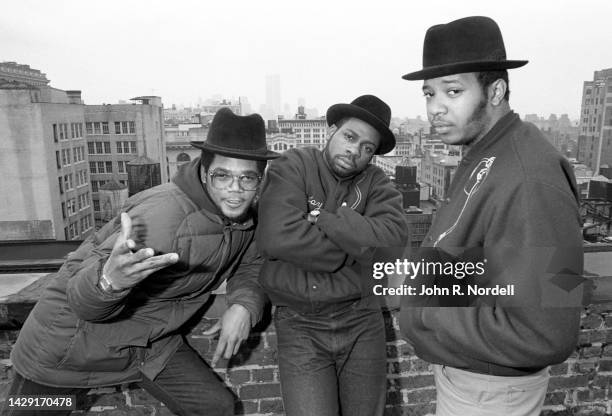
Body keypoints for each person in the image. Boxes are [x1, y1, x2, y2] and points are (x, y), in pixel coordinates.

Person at [4, 108, 280, 416]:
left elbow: (251, 263)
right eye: (223, 175)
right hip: (66, 350)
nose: (235, 189)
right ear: (204, 172)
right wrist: (109, 283)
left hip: (148, 343)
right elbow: (83, 302)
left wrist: (243, 305)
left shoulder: (245, 217)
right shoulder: (163, 217)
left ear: (260, 180)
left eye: (247, 178)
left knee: (216, 407)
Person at [399, 16, 584, 416]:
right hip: (471, 381)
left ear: (496, 90)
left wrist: (427, 307)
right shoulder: (486, 153)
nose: (435, 109)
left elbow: (549, 331)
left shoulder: (530, 176)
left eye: (452, 91)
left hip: (491, 395)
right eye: (429, 94)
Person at [256, 95, 409, 416]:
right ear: (331, 131)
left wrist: (325, 220)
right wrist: (352, 248)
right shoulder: (293, 165)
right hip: (300, 324)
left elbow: (392, 244)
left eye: (367, 148)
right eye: (350, 137)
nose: (355, 151)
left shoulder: (377, 183)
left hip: (361, 321)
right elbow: (277, 238)